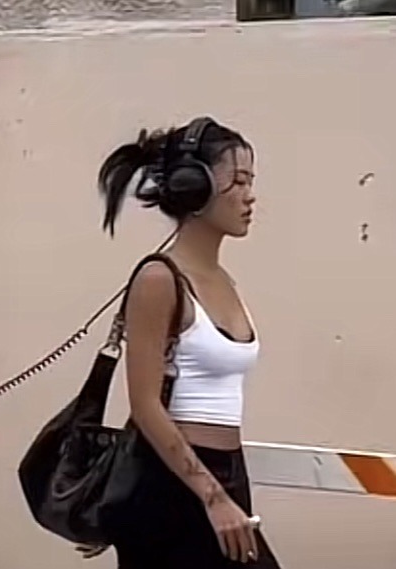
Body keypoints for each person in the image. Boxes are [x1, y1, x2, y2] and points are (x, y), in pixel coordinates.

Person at [91, 117, 281, 568]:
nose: (250, 196)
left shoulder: (225, 281)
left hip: (227, 473)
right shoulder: (159, 279)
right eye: (238, 181)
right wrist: (212, 496)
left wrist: (223, 492)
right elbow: (144, 404)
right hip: (174, 484)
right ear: (193, 187)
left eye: (251, 181)